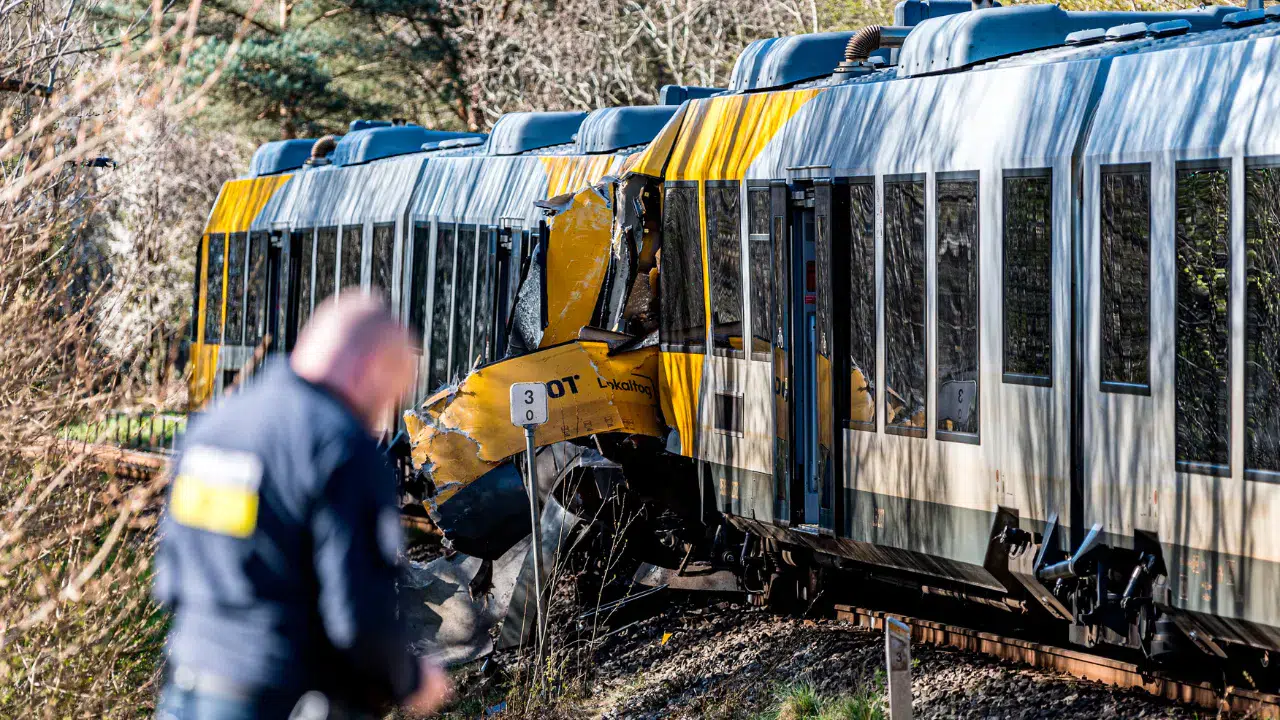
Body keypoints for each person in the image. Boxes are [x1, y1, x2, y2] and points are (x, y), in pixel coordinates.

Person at [154, 292, 451, 719]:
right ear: (369, 367)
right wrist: (411, 679)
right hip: (280, 698)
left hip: (186, 691)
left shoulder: (216, 426)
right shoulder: (339, 446)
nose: (382, 411)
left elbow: (170, 576)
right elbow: (356, 616)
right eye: (391, 392)